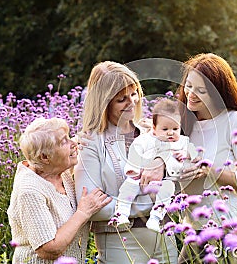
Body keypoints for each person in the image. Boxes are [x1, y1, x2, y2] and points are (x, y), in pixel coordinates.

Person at [74, 61, 178, 264]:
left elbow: (180, 170)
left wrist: (163, 163)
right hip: (120, 241)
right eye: (122, 99)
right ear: (104, 104)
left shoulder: (150, 131)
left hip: (165, 235)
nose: (132, 102)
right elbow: (90, 205)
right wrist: (146, 205)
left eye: (134, 94)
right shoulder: (91, 143)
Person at [175, 53, 237, 263]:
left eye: (201, 90)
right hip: (194, 234)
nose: (191, 95)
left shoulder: (233, 120)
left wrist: (211, 170)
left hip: (231, 232)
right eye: (188, 86)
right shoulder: (182, 123)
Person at [7, 117, 111, 263]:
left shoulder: (59, 172)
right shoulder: (30, 190)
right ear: (44, 157)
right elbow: (49, 249)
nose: (73, 143)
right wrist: (83, 212)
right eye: (64, 141)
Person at [114, 98, 198, 232]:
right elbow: (135, 151)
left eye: (175, 128)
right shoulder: (145, 140)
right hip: (141, 178)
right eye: (165, 129)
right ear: (154, 128)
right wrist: (134, 170)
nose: (170, 133)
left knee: (168, 189)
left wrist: (188, 154)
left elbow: (194, 152)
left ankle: (156, 217)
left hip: (163, 181)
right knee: (128, 186)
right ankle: (121, 214)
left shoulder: (182, 142)